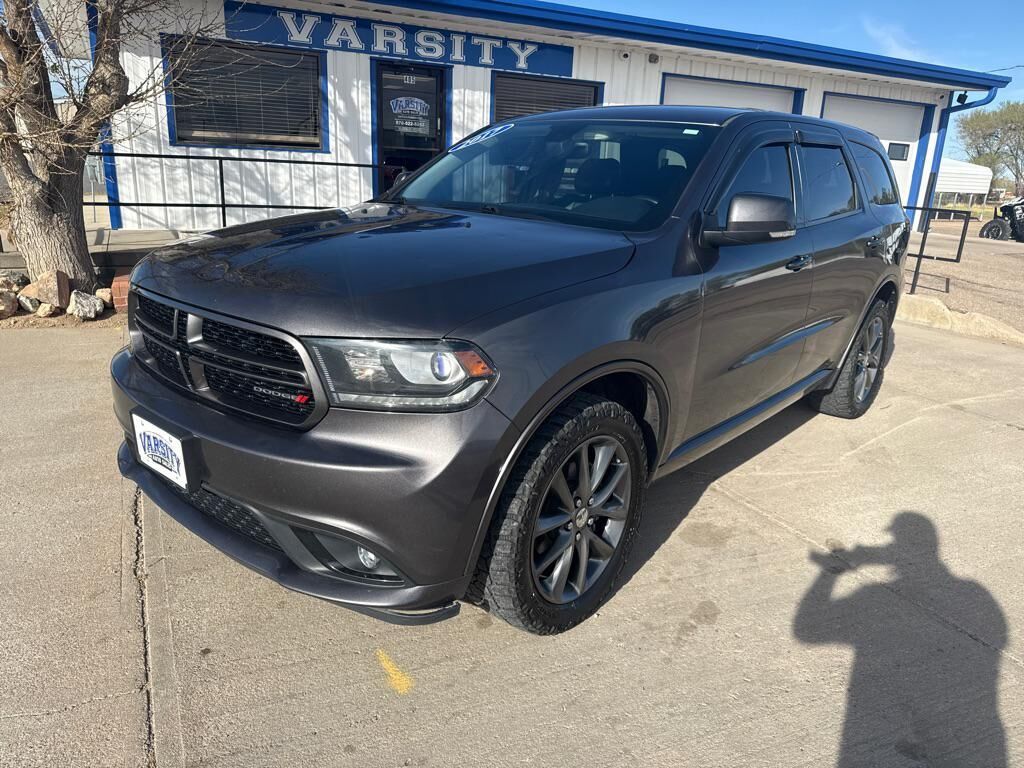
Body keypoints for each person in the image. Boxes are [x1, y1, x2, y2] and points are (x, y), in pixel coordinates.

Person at [793, 512, 1007, 767]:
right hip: (973, 735)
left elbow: (807, 629)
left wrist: (827, 574)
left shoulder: (873, 597)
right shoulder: (976, 594)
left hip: (886, 727)